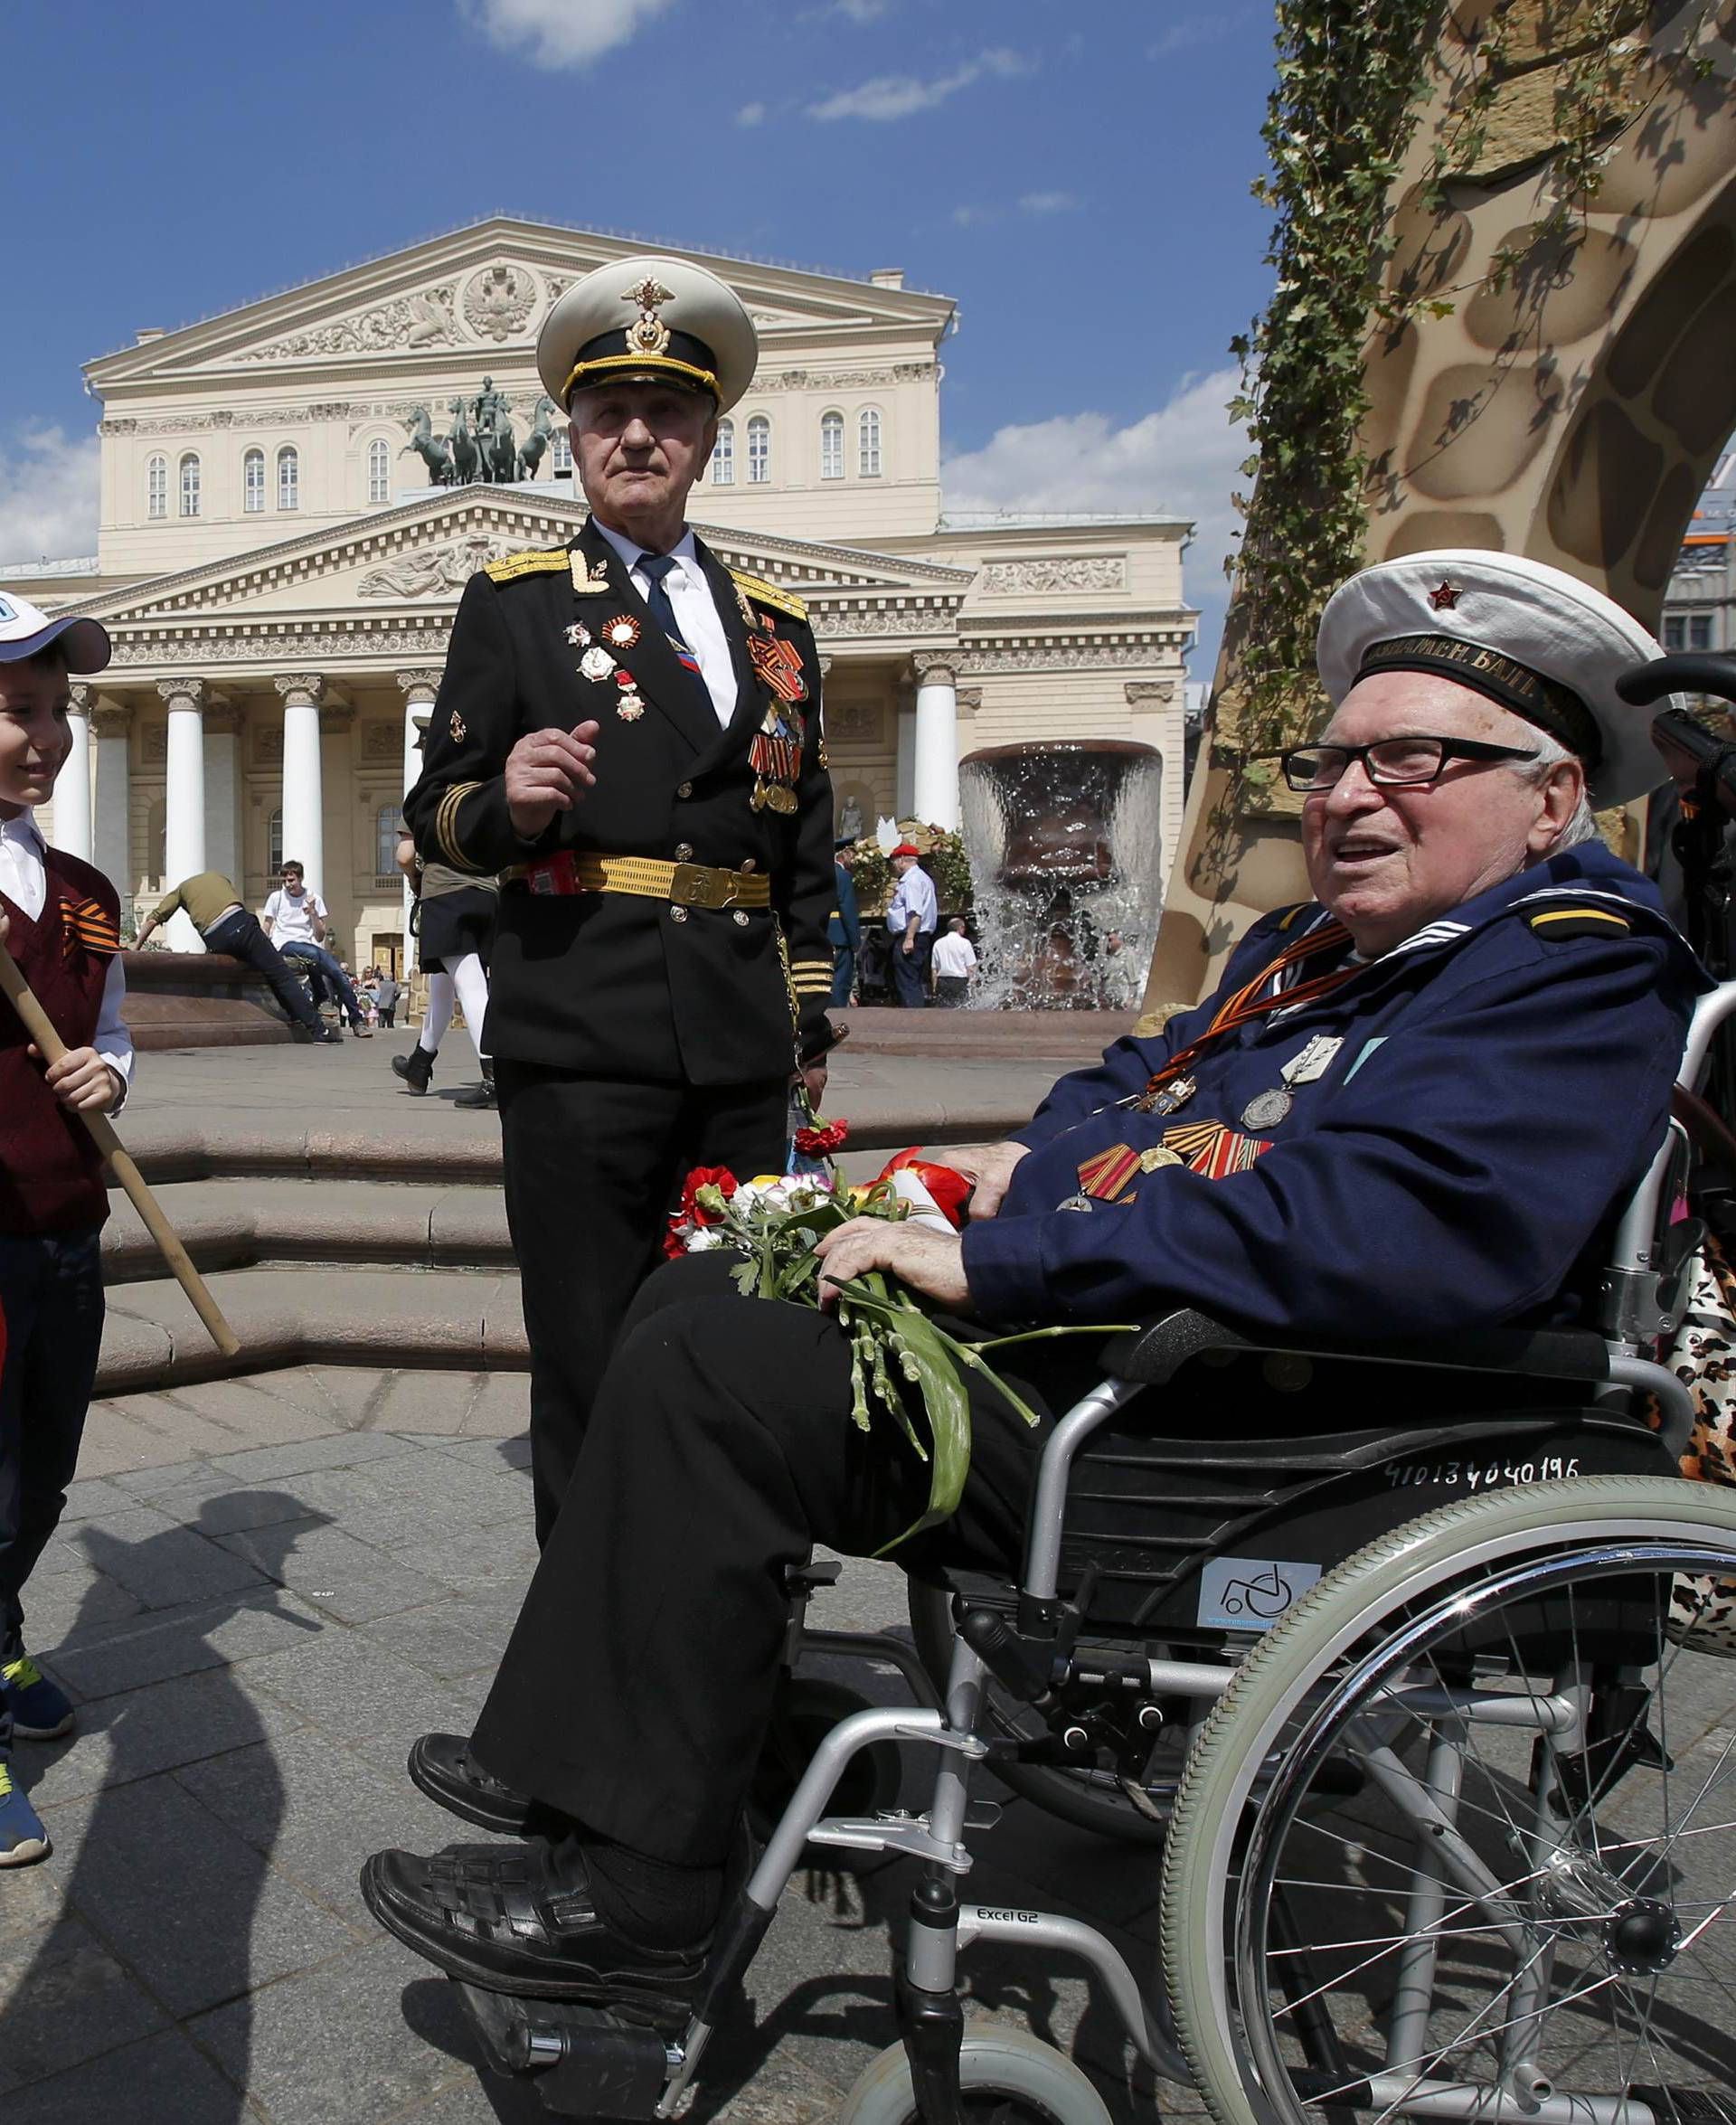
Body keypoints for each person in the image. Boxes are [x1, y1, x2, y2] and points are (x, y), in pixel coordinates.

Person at [366, 548, 1707, 2021]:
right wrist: (1022, 1165)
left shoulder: (1571, 968)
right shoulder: (1316, 948)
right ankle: (637, 1765)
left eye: (1412, 760)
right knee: (695, 1297)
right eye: (1331, 761)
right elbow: (1137, 1086)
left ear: (1556, 799)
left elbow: (1390, 1229)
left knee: (714, 1379)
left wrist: (1010, 1249)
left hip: (1254, 1425)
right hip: (1163, 1361)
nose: (1344, 796)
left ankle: (640, 1899)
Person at [402, 255, 834, 1542]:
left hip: (738, 1038)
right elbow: (437, 809)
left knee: (730, 1339)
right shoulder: (519, 605)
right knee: (589, 1355)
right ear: (574, 439)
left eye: (668, 415)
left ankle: (714, 1628)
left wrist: (808, 1010)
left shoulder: (779, 627)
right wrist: (510, 804)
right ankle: (577, 1697)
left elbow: (804, 834)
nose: (637, 436)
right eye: (608, 417)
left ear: (707, 438)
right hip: (585, 1026)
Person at [0, 596, 136, 1865]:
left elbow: (115, 1029)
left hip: (66, 1221)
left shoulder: (86, 894)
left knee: (40, 1475)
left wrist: (109, 1075)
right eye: (15, 710)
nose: (43, 737)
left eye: (56, 713)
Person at [135, 869, 340, 1044]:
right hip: (241, 924)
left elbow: (153, 919)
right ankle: (317, 1030)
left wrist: (135, 949)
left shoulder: (180, 890)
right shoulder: (219, 877)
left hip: (216, 938)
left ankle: (294, 1014)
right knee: (279, 973)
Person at [392, 826, 500, 1110]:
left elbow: (405, 856)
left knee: (470, 984)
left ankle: (494, 1077)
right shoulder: (486, 784)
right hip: (488, 894)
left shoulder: (427, 792)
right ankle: (419, 1064)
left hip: (446, 893)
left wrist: (416, 879)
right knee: (443, 985)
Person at [261, 862, 371, 1038]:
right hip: (284, 944)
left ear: (301, 878)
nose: (288, 885)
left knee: (338, 973)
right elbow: (267, 926)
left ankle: (357, 1020)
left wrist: (312, 912)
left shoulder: (313, 898)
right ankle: (322, 997)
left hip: (307, 946)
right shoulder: (276, 898)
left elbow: (320, 936)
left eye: (292, 880)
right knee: (315, 954)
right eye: (285, 881)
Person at [886, 840, 938, 1006]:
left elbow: (915, 913)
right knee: (912, 979)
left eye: (894, 861)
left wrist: (909, 938)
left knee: (907, 981)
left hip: (910, 935)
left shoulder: (912, 881)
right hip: (918, 935)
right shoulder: (922, 878)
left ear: (902, 859)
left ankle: (913, 1020)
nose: (893, 865)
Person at [827, 839, 861, 1006]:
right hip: (839, 935)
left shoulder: (820, 875)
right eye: (850, 854)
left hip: (821, 934)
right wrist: (855, 941)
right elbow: (848, 911)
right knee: (840, 982)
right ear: (843, 854)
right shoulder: (843, 876)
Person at [930, 913, 978, 1006]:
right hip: (960, 982)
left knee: (943, 1011)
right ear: (961, 928)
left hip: (943, 981)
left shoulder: (938, 943)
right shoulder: (965, 943)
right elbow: (971, 968)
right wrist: (973, 986)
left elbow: (934, 969)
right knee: (960, 1010)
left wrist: (934, 987)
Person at [374, 967, 401, 1031]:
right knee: (390, 1023)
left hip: (381, 1005)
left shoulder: (379, 984)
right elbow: (399, 992)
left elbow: (376, 992)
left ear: (384, 977)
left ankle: (381, 1033)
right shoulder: (394, 984)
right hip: (390, 1006)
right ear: (391, 977)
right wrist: (395, 999)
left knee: (381, 1023)